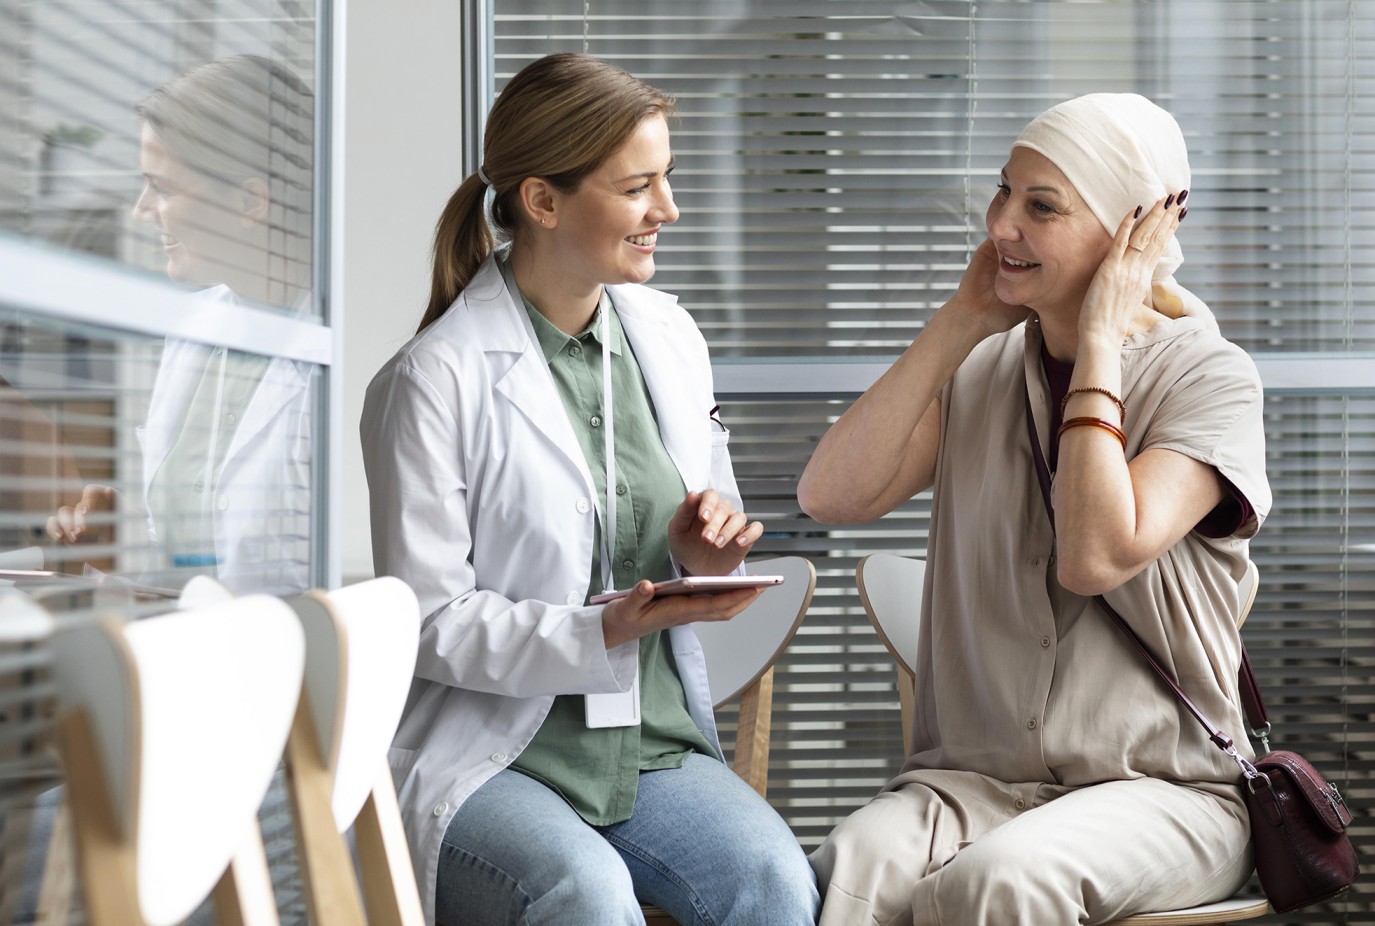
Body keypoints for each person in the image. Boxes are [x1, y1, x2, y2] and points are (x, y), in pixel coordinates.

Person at [360, 53, 818, 926]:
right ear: (543, 201)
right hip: (498, 752)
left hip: (647, 743)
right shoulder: (433, 380)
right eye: (638, 186)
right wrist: (598, 628)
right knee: (584, 893)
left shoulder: (668, 336)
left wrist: (702, 552)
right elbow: (426, 620)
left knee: (770, 876)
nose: (668, 211)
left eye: (667, 180)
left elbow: (687, 531)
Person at [798, 93, 1271, 925]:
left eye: (1041, 207)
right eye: (1002, 193)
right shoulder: (982, 367)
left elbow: (1093, 554)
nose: (1000, 227)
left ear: (1136, 232)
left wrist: (1097, 340)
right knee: (851, 865)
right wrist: (956, 323)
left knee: (1000, 881)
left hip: (1163, 790)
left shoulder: (1208, 377)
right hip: (972, 785)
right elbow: (831, 494)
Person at [46, 54, 315, 596]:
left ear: (250, 201)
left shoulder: (337, 353)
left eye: (163, 188)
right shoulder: (197, 329)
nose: (142, 211)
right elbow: (195, 549)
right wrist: (122, 542)